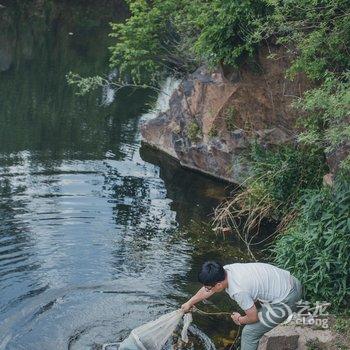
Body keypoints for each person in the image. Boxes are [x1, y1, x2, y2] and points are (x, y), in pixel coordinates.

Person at [181, 261, 302, 350]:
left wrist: (239, 319)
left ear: (218, 285)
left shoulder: (238, 291)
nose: (207, 289)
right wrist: (189, 303)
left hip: (288, 299)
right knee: (252, 305)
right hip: (292, 281)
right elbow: (208, 289)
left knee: (249, 332)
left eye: (208, 287)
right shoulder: (226, 270)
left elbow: (253, 317)